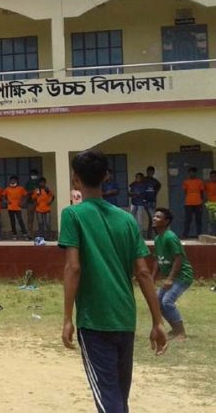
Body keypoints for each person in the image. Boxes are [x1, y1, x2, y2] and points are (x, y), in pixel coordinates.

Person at [59, 149, 167, 413]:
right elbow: (143, 273)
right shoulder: (127, 219)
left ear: (75, 180)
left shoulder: (72, 215)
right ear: (107, 176)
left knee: (109, 401)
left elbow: (73, 267)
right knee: (119, 396)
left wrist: (67, 318)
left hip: (95, 320)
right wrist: (157, 321)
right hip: (125, 318)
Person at [152, 207, 193, 342]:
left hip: (182, 276)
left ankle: (181, 332)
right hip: (172, 277)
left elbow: (178, 259)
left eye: (158, 217)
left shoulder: (170, 237)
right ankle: (174, 329)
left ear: (166, 221)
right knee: (158, 302)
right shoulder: (158, 238)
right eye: (154, 216)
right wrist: (152, 278)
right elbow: (157, 260)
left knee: (167, 301)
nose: (154, 218)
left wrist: (169, 279)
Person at [182, 167, 205, 238]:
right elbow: (185, 191)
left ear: (195, 173)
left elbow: (202, 191)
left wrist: (201, 200)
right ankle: (185, 235)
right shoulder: (186, 182)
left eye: (193, 172)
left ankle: (199, 235)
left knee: (198, 220)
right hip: (188, 203)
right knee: (188, 220)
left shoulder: (199, 181)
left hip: (198, 203)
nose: (192, 174)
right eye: (191, 172)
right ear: (189, 173)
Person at [142, 166, 162, 238]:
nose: (150, 173)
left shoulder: (154, 181)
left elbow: (159, 185)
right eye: (149, 172)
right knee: (153, 217)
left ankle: (149, 236)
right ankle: (158, 234)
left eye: (152, 172)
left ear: (153, 172)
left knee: (151, 219)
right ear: (147, 172)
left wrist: (155, 193)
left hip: (153, 201)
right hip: (146, 202)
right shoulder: (143, 180)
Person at [25, 168, 41, 234]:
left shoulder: (39, 183)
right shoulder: (28, 183)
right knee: (30, 219)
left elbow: (40, 192)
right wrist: (32, 191)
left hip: (38, 203)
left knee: (40, 219)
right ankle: (29, 233)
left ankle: (41, 233)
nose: (33, 175)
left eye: (34, 174)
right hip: (30, 202)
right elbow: (25, 193)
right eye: (32, 174)